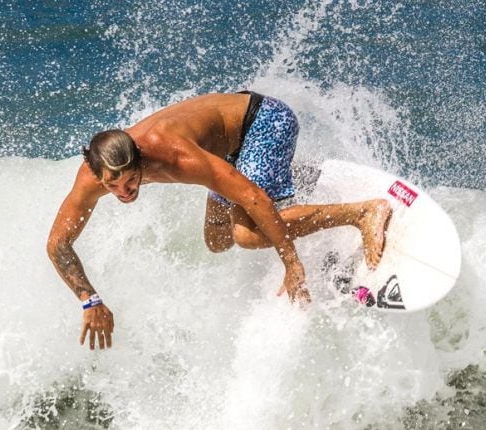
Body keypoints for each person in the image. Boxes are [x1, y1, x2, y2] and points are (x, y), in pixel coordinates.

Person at [46, 91, 392, 350]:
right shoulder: (91, 177)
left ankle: (362, 212)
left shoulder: (175, 157)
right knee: (218, 240)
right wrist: (89, 300)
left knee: (248, 234)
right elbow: (58, 243)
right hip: (227, 151)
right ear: (95, 173)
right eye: (113, 184)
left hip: (265, 123)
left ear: (140, 159)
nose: (124, 191)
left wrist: (292, 264)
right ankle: (295, 177)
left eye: (131, 179)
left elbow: (253, 199)